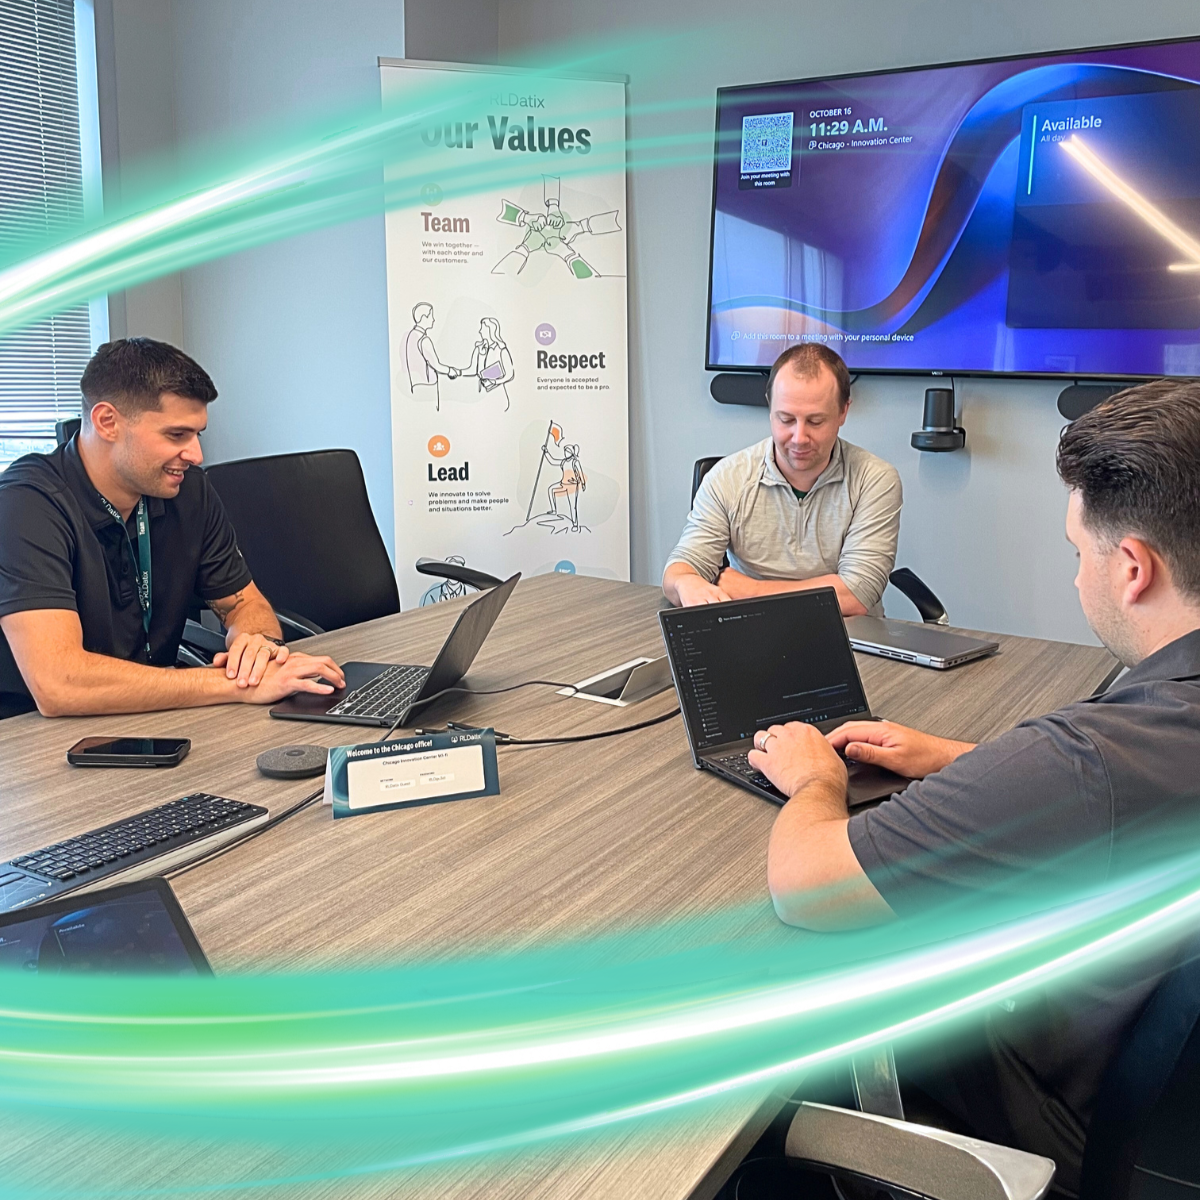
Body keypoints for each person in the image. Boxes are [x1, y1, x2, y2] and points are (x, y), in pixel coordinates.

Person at [753, 379, 1200, 1193]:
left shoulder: (1086, 760)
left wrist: (815, 779)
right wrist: (962, 757)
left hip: (1020, 1095)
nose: (1076, 580)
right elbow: (1112, 794)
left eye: (1078, 554)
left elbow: (807, 886)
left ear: (1133, 567)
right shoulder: (1154, 735)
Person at [0, 338, 345, 719]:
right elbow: (59, 684)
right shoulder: (25, 503)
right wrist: (235, 685)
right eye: (176, 435)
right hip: (34, 739)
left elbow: (244, 603)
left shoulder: (189, 491)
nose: (196, 455)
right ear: (107, 422)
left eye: (199, 434)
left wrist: (257, 646)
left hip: (158, 713)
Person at [662, 343, 902, 616]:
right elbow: (680, 570)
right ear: (770, 408)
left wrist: (751, 592)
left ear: (843, 412)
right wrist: (686, 583)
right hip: (753, 634)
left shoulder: (875, 480)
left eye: (815, 421)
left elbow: (857, 594)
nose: (799, 438)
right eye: (786, 419)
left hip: (850, 640)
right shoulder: (727, 477)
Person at [405, 302, 458, 410]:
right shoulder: (424, 340)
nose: (433, 320)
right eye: (431, 316)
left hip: (415, 386)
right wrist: (450, 371)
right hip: (428, 388)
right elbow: (436, 365)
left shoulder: (411, 335)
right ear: (423, 317)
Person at [462, 317, 514, 411]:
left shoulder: (501, 349)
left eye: (482, 328)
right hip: (481, 394)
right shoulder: (479, 348)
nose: (480, 331)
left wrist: (494, 381)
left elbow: (509, 374)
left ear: (489, 330)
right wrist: (457, 372)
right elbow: (473, 369)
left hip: (496, 395)